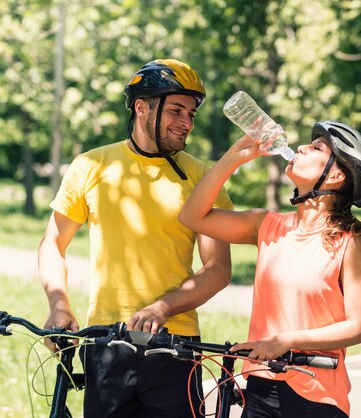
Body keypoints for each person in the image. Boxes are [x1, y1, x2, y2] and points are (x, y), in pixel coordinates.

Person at [38, 58, 233, 418]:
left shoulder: (203, 178)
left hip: (176, 347)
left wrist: (163, 307)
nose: (186, 123)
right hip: (105, 342)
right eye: (177, 110)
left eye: (191, 114)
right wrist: (58, 303)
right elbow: (53, 243)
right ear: (142, 108)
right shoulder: (91, 166)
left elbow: (218, 269)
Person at [179, 120, 361, 418]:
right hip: (261, 388)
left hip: (317, 394)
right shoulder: (268, 226)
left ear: (337, 175)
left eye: (316, 148)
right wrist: (234, 157)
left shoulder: (350, 243)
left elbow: (359, 326)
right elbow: (192, 216)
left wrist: (286, 340)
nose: (301, 147)